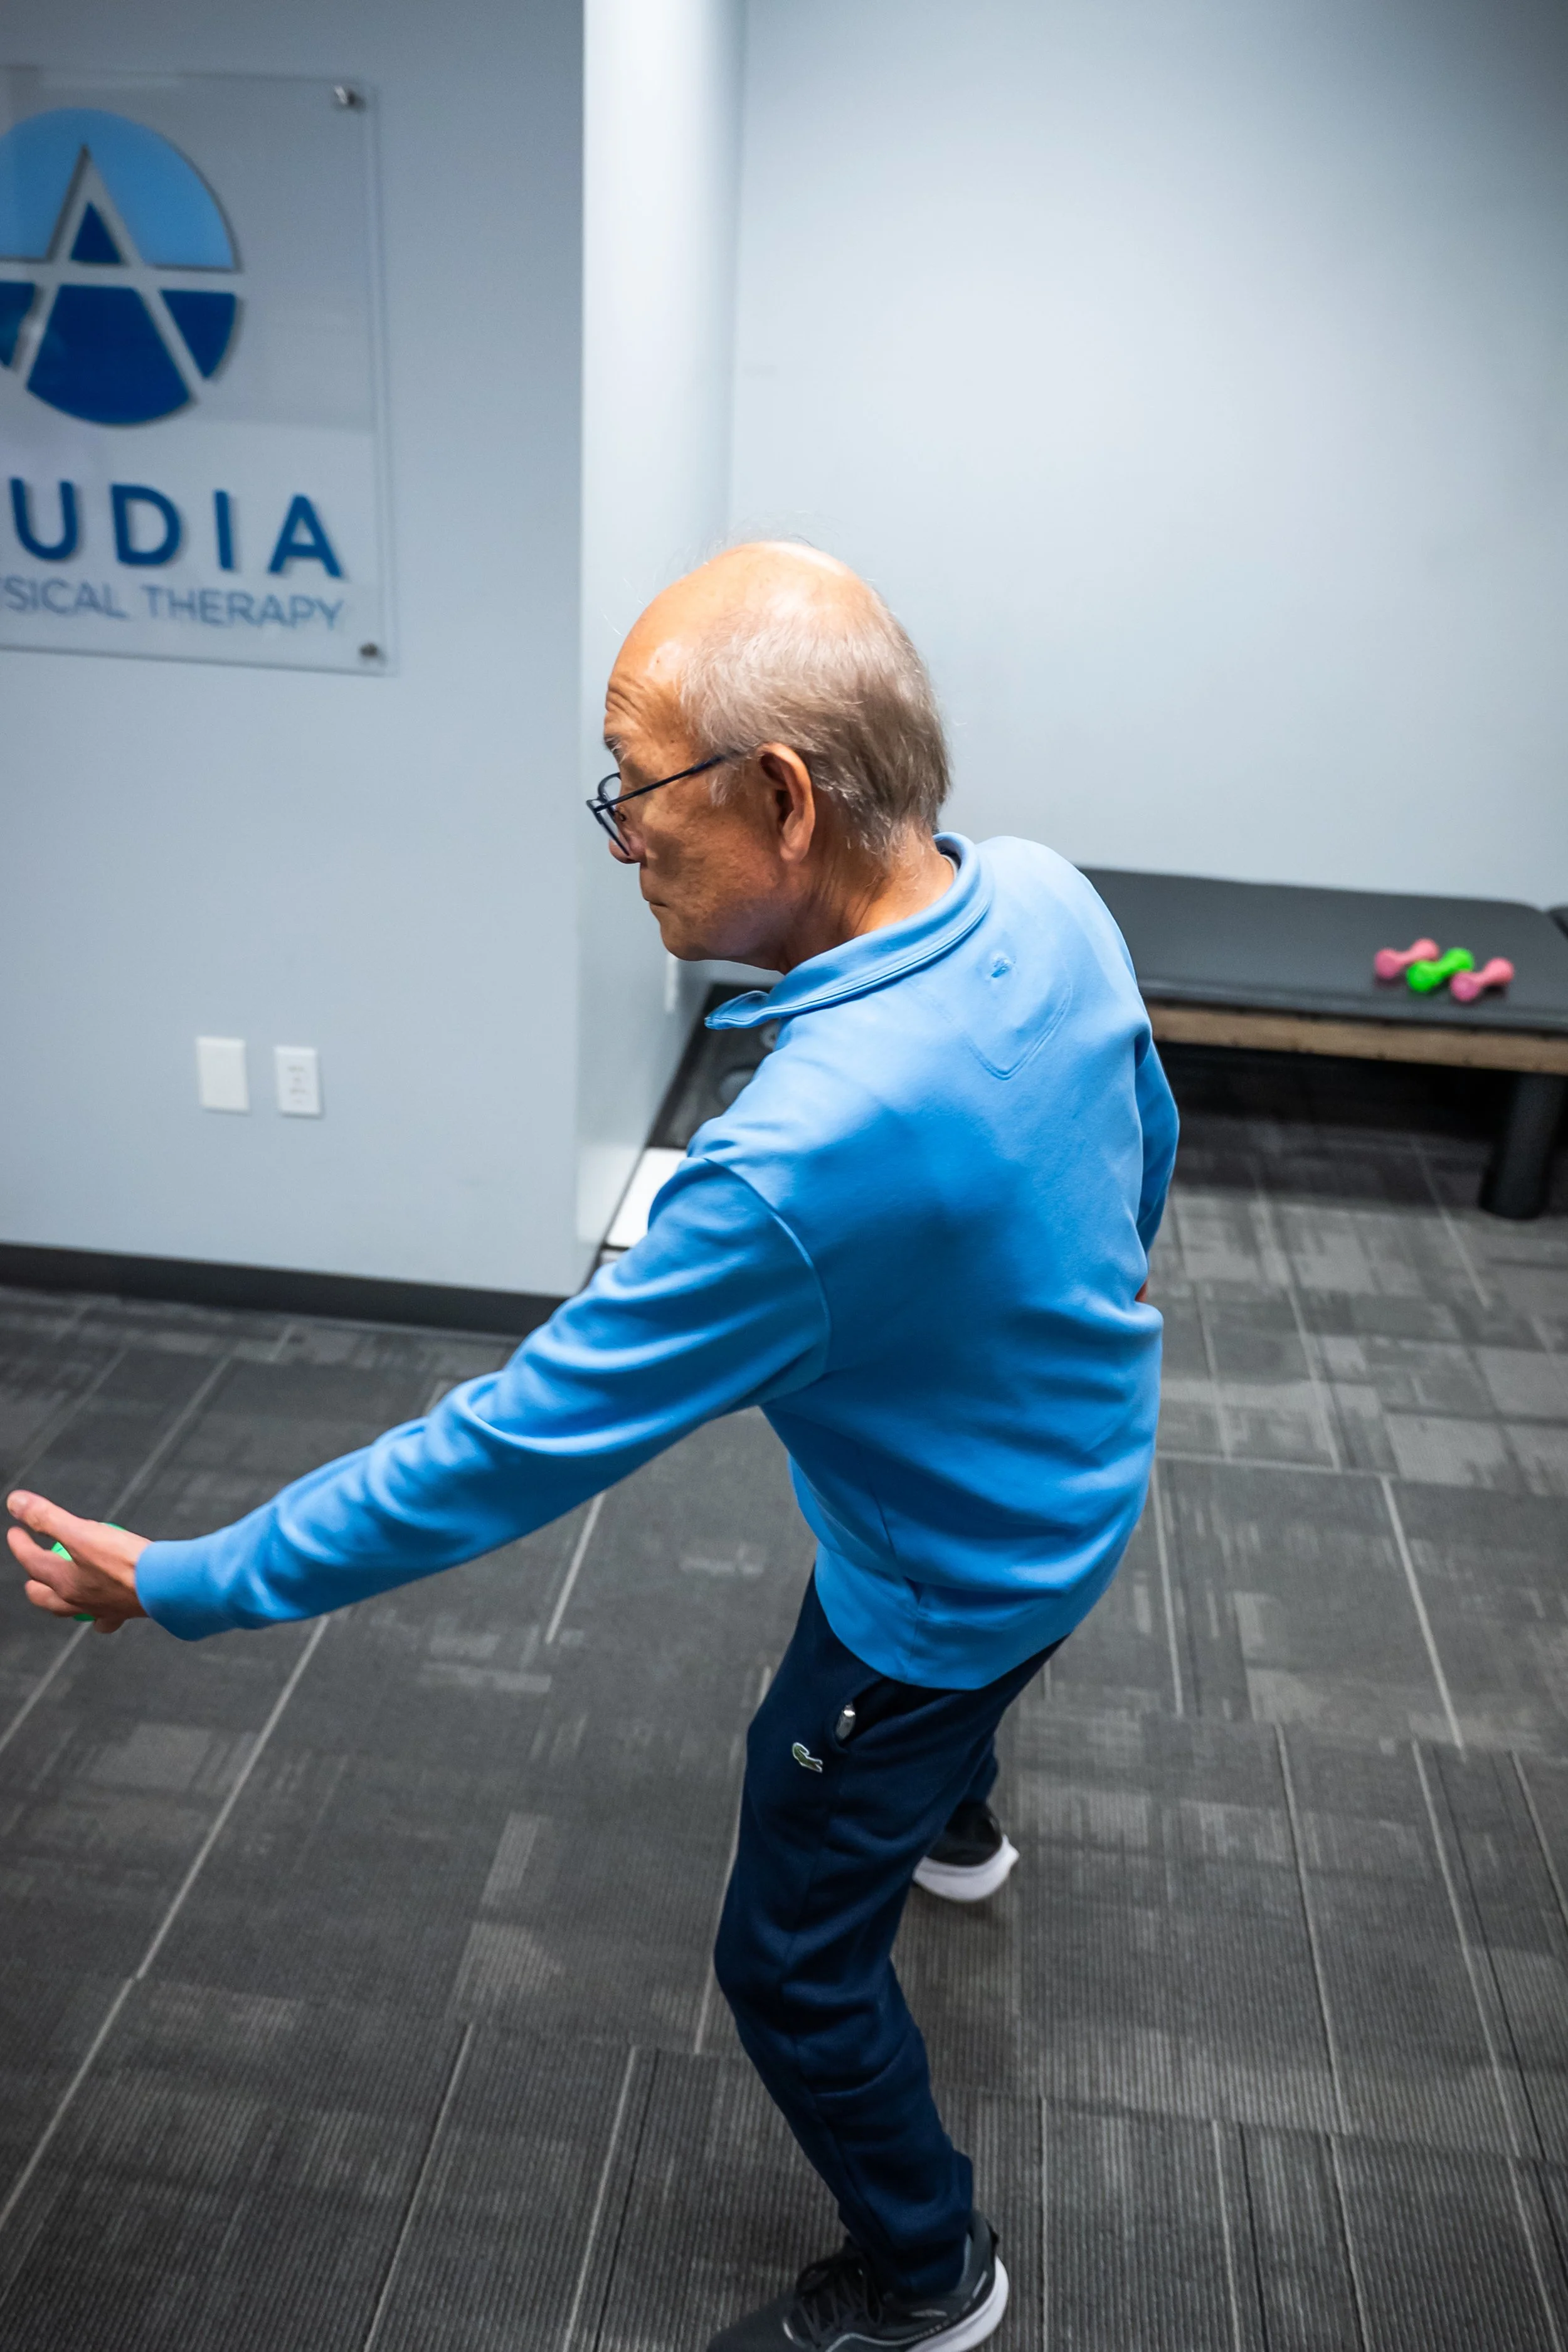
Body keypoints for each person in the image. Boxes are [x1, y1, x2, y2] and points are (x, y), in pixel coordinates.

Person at [8, 543, 1177, 2352]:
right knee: (958, 1671)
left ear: (781, 797)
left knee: (787, 1962)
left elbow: (501, 1451)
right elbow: (1138, 1147)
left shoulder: (796, 1166)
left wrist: (187, 1580)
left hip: (946, 1585)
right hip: (1086, 1465)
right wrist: (1031, 1332)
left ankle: (928, 2272)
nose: (620, 834)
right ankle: (956, 1826)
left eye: (636, 786)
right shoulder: (1043, 892)